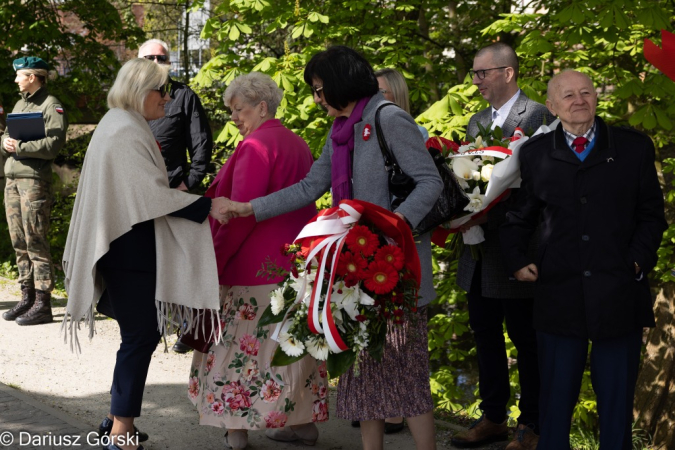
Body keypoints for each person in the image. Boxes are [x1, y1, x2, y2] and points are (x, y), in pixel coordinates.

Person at [220, 45, 442, 450]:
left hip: (394, 265)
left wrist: (390, 231)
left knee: (405, 369)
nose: (316, 98)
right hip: (355, 268)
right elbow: (309, 187)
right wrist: (247, 207)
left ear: (341, 83)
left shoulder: (389, 118)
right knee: (364, 372)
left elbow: (430, 182)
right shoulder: (341, 128)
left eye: (320, 89)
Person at [61, 58, 229, 450]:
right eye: (162, 91)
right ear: (141, 90)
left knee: (137, 336)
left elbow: (141, 191)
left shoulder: (121, 122)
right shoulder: (122, 128)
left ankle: (116, 419)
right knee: (140, 336)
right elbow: (147, 196)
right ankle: (121, 431)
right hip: (128, 252)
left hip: (125, 249)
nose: (169, 99)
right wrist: (207, 205)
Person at [500, 70, 667, 450]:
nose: (579, 100)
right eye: (568, 95)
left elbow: (652, 216)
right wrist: (515, 260)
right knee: (555, 402)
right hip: (558, 295)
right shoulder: (535, 153)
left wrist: (637, 261)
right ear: (553, 106)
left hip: (618, 291)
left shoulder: (633, 147)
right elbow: (518, 219)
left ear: (596, 98)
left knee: (616, 403)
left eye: (586, 92)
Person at [188, 72, 323, 450]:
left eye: (239, 110)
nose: (234, 118)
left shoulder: (254, 146)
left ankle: (236, 430)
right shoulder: (297, 143)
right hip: (295, 263)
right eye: (231, 111)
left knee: (239, 347)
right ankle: (302, 424)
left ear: (262, 107)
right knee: (290, 347)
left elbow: (237, 214)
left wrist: (212, 260)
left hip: (253, 266)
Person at [451, 43, 554, 450]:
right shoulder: (476, 121)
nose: (476, 81)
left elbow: (541, 184)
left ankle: (532, 423)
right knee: (484, 333)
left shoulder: (539, 116)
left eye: (482, 73)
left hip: (519, 247)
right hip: (477, 246)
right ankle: (493, 416)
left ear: (508, 73)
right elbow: (468, 178)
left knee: (526, 340)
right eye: (474, 74)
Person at [138, 38, 214, 355]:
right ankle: (153, 323)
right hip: (140, 196)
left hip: (174, 191)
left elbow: (202, 147)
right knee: (146, 261)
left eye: (162, 57)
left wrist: (188, 184)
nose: (157, 62)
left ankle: (187, 327)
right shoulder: (131, 100)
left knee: (181, 263)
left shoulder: (184, 96)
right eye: (149, 57)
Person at [0, 57, 68, 326]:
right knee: (18, 241)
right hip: (13, 180)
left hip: (34, 181)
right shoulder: (20, 104)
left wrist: (21, 148)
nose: (16, 79)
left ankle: (43, 302)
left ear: (33, 77)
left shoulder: (51, 105)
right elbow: (6, 134)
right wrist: (5, 142)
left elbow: (54, 143)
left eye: (20, 75)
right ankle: (27, 296)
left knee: (35, 240)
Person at [375, 68, 429, 142]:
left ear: (397, 94)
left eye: (381, 91)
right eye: (372, 91)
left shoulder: (417, 132)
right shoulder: (364, 130)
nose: (374, 96)